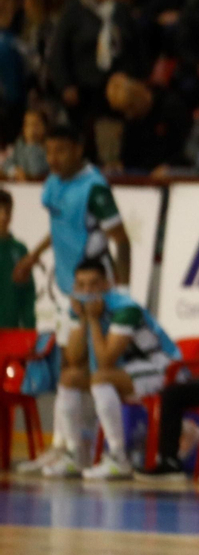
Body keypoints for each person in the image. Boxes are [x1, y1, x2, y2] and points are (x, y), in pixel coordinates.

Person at [11, 127, 129, 474]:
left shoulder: (95, 188)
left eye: (61, 151)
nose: (53, 159)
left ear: (79, 149)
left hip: (93, 290)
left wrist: (121, 292)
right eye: (49, 152)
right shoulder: (53, 182)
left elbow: (121, 240)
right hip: (66, 289)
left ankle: (93, 451)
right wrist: (33, 256)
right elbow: (60, 225)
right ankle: (64, 448)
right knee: (68, 367)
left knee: (88, 369)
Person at [60, 259, 180, 481]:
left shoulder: (125, 308)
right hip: (127, 370)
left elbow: (105, 361)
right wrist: (83, 319)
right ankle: (74, 453)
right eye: (81, 285)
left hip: (163, 367)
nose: (87, 291)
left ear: (107, 284)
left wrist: (94, 320)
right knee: (69, 377)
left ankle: (118, 458)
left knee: (101, 377)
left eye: (93, 284)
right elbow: (73, 358)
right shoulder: (80, 307)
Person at [0, 188, 34, 329]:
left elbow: (28, 293)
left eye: (7, 211)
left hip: (11, 329)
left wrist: (29, 326)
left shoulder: (19, 250)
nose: (3, 217)